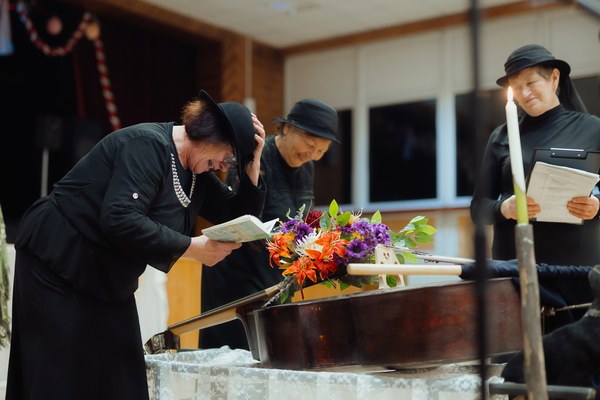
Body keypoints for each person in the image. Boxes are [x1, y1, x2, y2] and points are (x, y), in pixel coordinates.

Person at [6, 90, 267, 400]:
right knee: (56, 375)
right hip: (56, 259)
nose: (225, 164)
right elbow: (119, 218)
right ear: (210, 133)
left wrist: (252, 165)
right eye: (231, 155)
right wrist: (192, 247)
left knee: (123, 377)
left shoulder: (196, 172)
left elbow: (236, 216)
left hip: (106, 275)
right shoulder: (147, 144)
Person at [470, 44, 600, 331]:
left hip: (578, 273)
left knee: (578, 353)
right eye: (517, 88)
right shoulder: (501, 136)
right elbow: (478, 209)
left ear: (554, 78)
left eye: (531, 83)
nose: (525, 93)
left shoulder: (594, 129)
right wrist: (504, 208)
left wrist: (597, 206)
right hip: (517, 271)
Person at [199, 98, 339, 350]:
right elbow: (239, 216)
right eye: (310, 144)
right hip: (236, 275)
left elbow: (300, 220)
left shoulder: (306, 167)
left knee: (277, 350)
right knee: (237, 353)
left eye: (321, 151)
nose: (312, 155)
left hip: (275, 275)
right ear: (287, 128)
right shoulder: (256, 158)